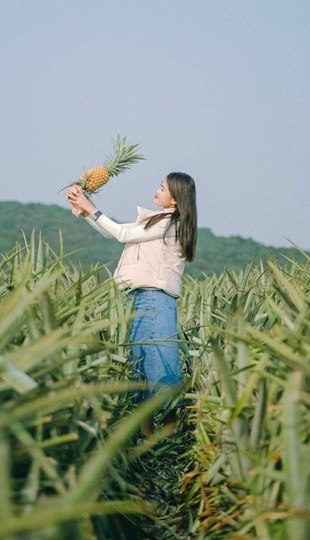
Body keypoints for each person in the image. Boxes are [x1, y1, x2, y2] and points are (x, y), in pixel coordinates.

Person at [66, 172, 197, 435]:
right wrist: (86, 211)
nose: (156, 190)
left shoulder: (171, 222)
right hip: (137, 295)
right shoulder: (160, 220)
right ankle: (148, 437)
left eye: (162, 188)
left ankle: (171, 434)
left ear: (175, 198)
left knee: (162, 363)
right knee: (140, 364)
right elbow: (114, 233)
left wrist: (91, 207)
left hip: (153, 297)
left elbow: (122, 233)